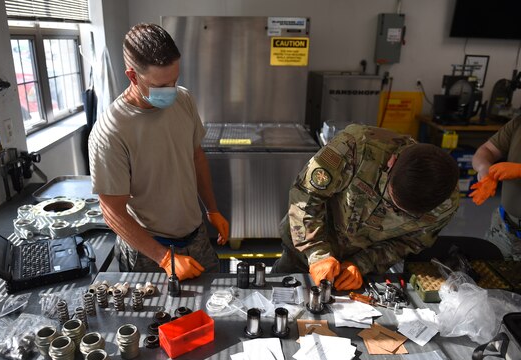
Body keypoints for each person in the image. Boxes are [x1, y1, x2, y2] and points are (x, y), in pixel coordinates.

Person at [88, 23, 229, 280]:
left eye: (174, 80)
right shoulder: (111, 131)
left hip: (195, 236)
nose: (171, 91)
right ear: (132, 76)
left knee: (214, 307)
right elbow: (112, 211)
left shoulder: (183, 100)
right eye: (161, 85)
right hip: (149, 250)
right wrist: (164, 257)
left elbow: (196, 156)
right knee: (158, 317)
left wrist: (212, 209)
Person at [271, 124, 460, 290]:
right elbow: (306, 195)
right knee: (280, 295)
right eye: (390, 199)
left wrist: (362, 264)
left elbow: (409, 243)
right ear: (391, 162)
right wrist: (316, 253)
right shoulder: (357, 146)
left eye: (402, 213)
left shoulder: (445, 204)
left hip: (360, 262)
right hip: (308, 242)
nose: (392, 210)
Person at [470, 115, 521, 261]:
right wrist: (484, 168)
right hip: (504, 226)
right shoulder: (518, 123)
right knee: (490, 272)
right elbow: (487, 149)